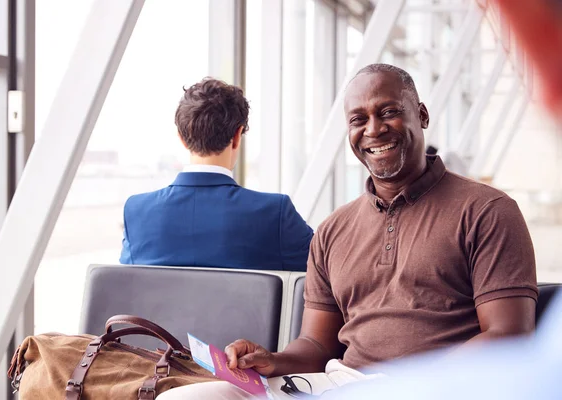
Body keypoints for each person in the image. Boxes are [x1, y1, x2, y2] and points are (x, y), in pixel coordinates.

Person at [157, 64, 538, 399]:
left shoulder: (486, 210)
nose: (374, 129)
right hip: (342, 384)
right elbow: (317, 344)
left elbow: (508, 336)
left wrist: (413, 383)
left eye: (389, 112)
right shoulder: (332, 230)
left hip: (439, 387)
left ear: (421, 115)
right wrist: (273, 360)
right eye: (359, 119)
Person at [120, 78, 312, 271]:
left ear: (182, 139)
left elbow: (130, 287)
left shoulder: (136, 212)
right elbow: (326, 271)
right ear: (237, 136)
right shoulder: (274, 213)